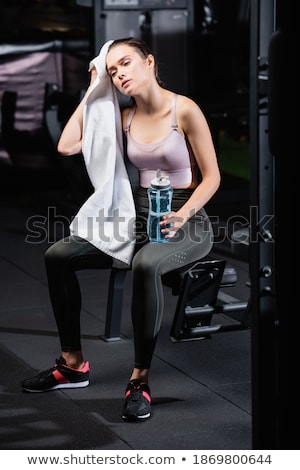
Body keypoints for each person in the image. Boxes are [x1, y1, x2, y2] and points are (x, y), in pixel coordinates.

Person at [21, 37, 220, 421]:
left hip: (187, 218)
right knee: (58, 255)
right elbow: (66, 145)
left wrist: (183, 214)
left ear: (149, 61)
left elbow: (211, 178)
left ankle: (139, 380)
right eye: (113, 70)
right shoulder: (123, 117)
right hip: (139, 214)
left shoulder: (185, 110)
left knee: (145, 264)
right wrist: (93, 87)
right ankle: (72, 365)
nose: (120, 74)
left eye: (126, 63)